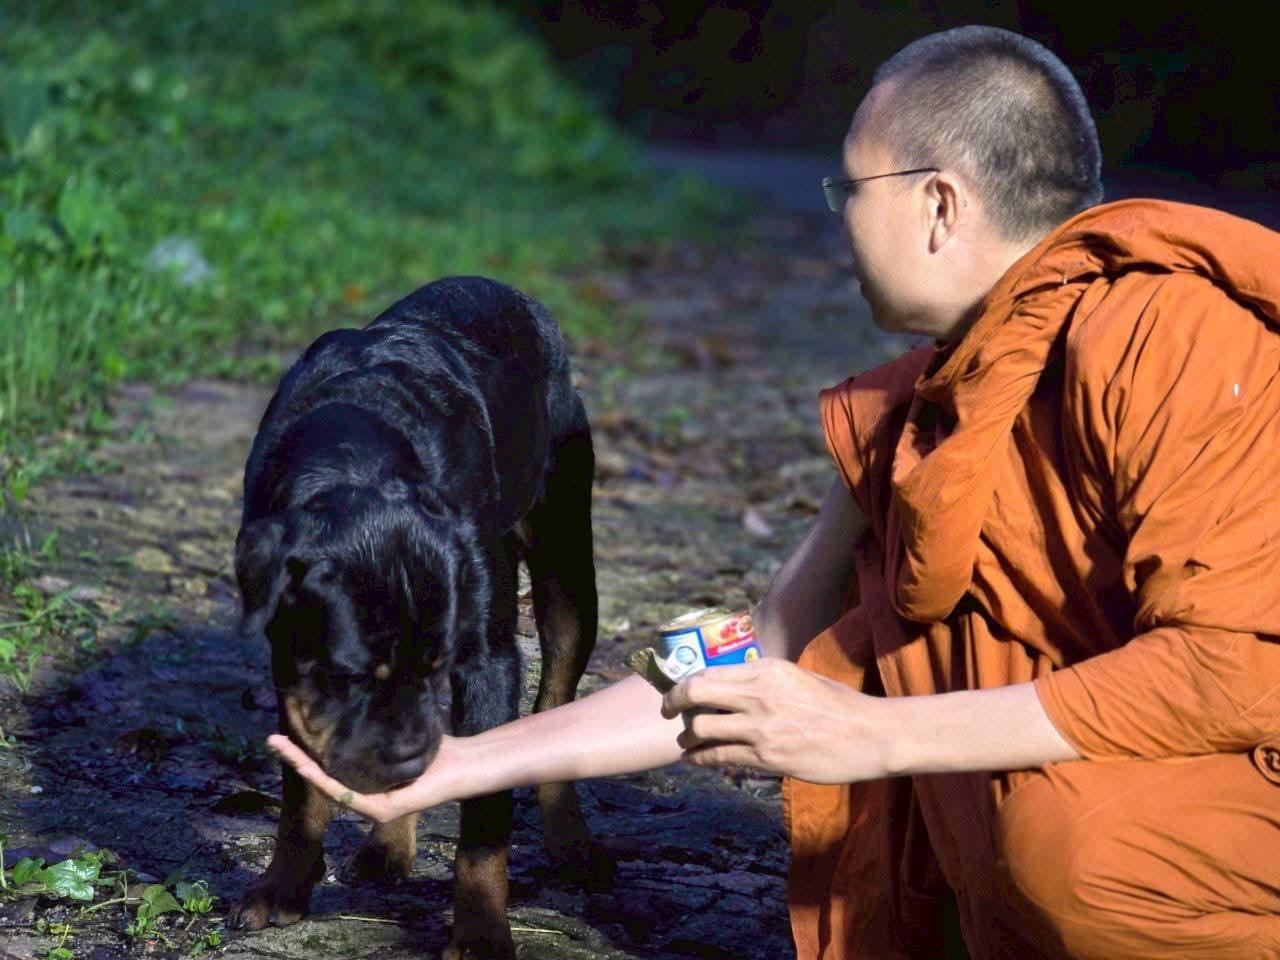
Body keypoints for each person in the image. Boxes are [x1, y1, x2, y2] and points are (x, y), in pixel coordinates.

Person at [268, 25, 1280, 960]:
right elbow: (758, 645)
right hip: (1055, 828)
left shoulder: (1170, 340)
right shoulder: (911, 409)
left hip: (1185, 820)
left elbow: (1233, 668)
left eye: (850, 191)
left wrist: (876, 735)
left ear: (938, 203)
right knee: (1043, 840)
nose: (839, 224)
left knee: (1080, 852)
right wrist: (463, 764)